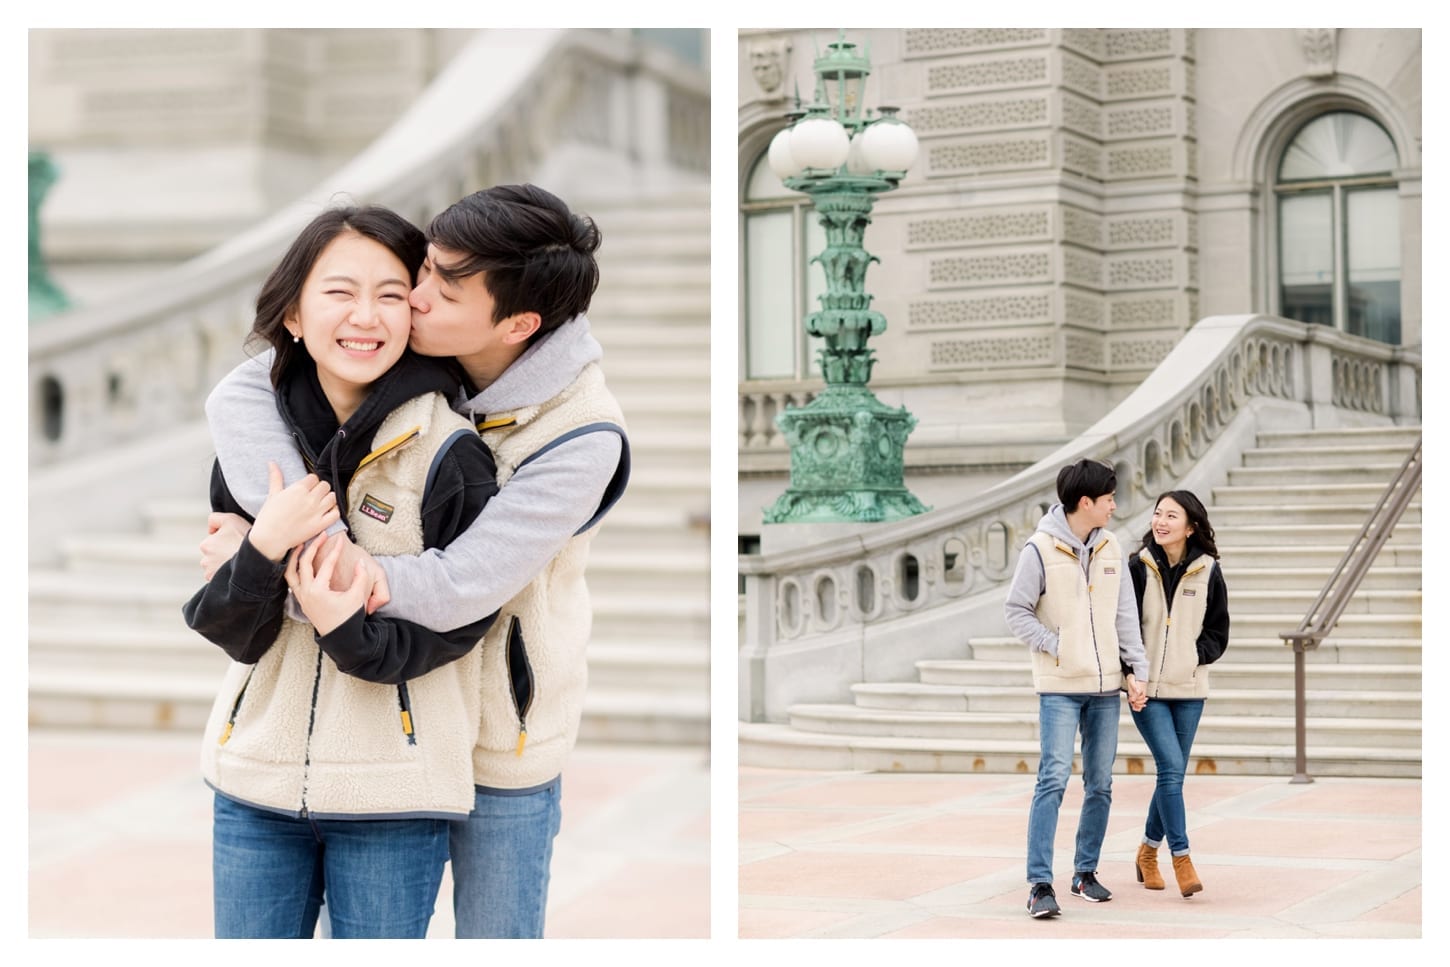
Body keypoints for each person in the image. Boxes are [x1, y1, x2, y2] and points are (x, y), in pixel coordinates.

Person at [198, 183, 630, 939]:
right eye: (423, 270)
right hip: (374, 731)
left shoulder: (581, 434)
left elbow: (465, 580)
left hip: (498, 736)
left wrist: (284, 565)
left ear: (518, 324)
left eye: (441, 286)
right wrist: (272, 534)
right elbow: (244, 385)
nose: (415, 298)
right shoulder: (434, 354)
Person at [183, 205, 501, 938]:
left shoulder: (451, 454)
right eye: (339, 292)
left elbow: (456, 626)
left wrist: (343, 626)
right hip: (254, 784)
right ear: (293, 313)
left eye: (391, 294)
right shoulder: (253, 444)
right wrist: (263, 551)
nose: (367, 316)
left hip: (393, 800)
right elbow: (234, 629)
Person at [1004, 457, 1149, 919]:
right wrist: (1057, 646)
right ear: (1084, 502)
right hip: (1061, 686)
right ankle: (1039, 883)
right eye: (1108, 498)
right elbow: (1016, 611)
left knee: (1101, 784)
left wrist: (1136, 669)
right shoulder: (1039, 549)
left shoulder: (1111, 547)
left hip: (1106, 687)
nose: (1114, 505)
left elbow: (1125, 615)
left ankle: (1085, 872)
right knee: (1053, 780)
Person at [1127, 490, 1229, 897]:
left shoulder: (1207, 570)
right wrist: (1131, 674)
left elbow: (1218, 630)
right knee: (1171, 768)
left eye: (1172, 515)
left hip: (1188, 688)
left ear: (1190, 526)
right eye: (1157, 514)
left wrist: (1193, 656)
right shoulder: (1138, 567)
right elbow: (1125, 626)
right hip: (1146, 691)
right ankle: (1181, 857)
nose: (1161, 521)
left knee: (1172, 774)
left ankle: (1147, 852)